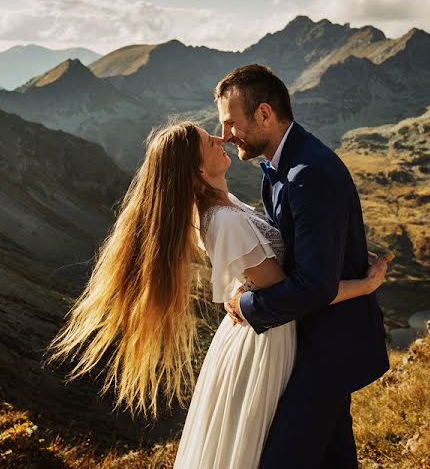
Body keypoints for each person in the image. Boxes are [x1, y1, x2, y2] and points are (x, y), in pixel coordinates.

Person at [44, 119, 389, 467]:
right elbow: (298, 296)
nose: (221, 138)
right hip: (267, 343)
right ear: (197, 168)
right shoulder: (224, 221)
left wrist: (334, 254)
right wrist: (365, 285)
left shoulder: (227, 205)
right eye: (209, 140)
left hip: (269, 331)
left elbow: (291, 261)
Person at [216, 64, 390, 468]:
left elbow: (314, 286)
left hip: (328, 349)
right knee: (333, 458)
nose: (225, 135)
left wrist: (247, 307)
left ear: (264, 114)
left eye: (230, 123)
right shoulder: (279, 168)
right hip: (310, 342)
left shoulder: (307, 173)